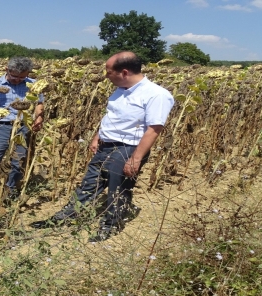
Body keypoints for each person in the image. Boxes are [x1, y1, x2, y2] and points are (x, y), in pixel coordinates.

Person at [31, 51, 174, 242]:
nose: (106, 77)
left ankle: (111, 225)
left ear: (124, 72)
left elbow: (154, 129)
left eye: (108, 72)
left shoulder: (157, 95)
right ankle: (63, 218)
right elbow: (112, 116)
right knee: (89, 184)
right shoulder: (120, 89)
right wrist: (98, 136)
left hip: (128, 147)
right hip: (106, 145)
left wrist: (136, 158)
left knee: (118, 189)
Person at [0, 57, 44, 204]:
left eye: (22, 77)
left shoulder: (32, 85)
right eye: (14, 76)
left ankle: (10, 191)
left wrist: (38, 118)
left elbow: (39, 103)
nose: (17, 80)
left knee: (18, 160)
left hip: (22, 126)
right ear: (7, 70)